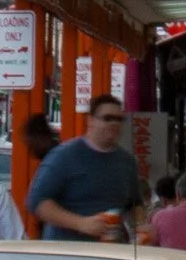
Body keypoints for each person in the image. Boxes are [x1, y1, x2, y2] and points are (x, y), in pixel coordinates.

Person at [26, 95, 143, 241]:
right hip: (70, 253)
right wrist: (81, 223)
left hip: (113, 254)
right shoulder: (64, 156)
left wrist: (141, 226)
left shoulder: (127, 161)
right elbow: (37, 202)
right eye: (107, 118)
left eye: (119, 119)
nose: (114, 124)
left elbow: (135, 204)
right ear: (91, 121)